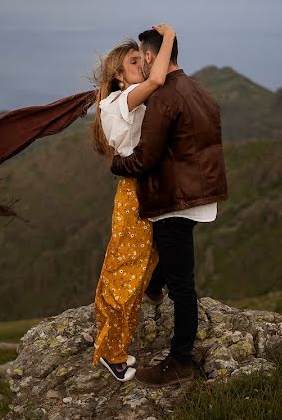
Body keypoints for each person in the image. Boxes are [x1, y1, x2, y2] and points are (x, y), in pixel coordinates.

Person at [110, 27, 228, 387]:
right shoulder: (200, 90)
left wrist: (117, 164)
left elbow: (145, 159)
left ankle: (180, 362)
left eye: (141, 58)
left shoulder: (164, 98)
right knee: (168, 263)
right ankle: (154, 285)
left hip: (175, 200)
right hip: (199, 194)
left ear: (150, 57)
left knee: (183, 285)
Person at [89, 24, 176, 382]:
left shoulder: (128, 99)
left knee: (140, 267)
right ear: (119, 75)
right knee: (125, 271)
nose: (144, 63)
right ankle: (111, 351)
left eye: (144, 58)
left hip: (145, 187)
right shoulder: (117, 102)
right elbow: (157, 81)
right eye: (135, 60)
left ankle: (117, 345)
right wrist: (168, 37)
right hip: (133, 192)